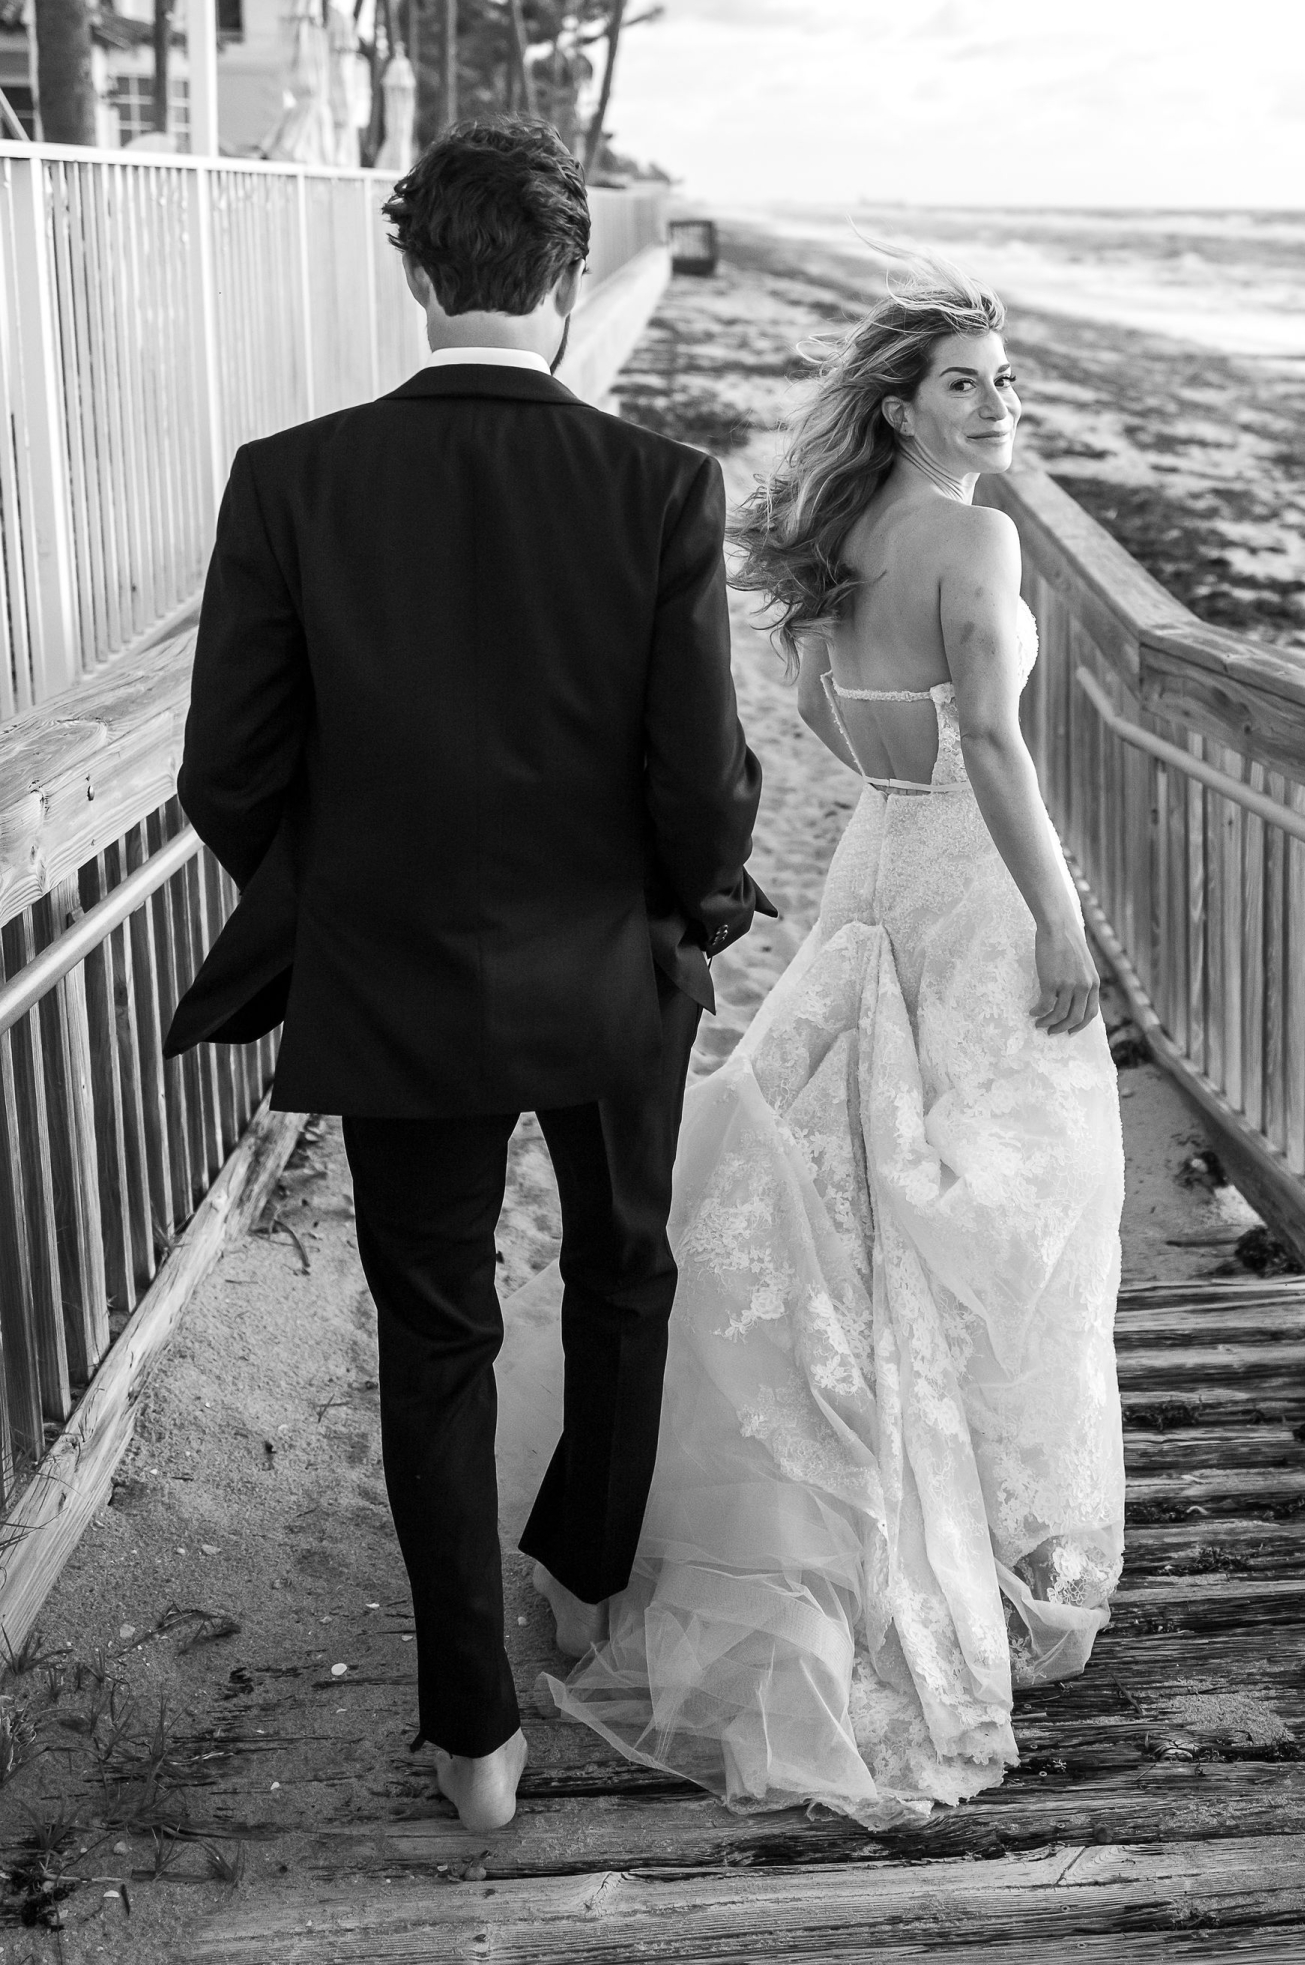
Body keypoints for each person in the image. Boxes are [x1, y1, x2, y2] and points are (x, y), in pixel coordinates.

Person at [166, 117, 769, 1834]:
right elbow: (695, 773)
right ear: (570, 284)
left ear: (418, 271)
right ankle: (585, 1568)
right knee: (624, 1267)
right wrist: (705, 904)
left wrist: (350, 897)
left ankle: (474, 1737)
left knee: (435, 1334)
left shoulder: (289, 477)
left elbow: (232, 766)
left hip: (399, 980)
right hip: (611, 976)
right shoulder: (662, 487)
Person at [502, 258, 1124, 1828]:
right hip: (973, 889)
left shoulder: (839, 543)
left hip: (875, 866)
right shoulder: (976, 535)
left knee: (860, 1178)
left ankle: (870, 1510)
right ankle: (962, 1533)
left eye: (1009, 377)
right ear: (904, 406)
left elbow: (842, 729)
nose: (1002, 401)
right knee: (1011, 1196)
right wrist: (1059, 917)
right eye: (969, 381)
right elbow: (989, 740)